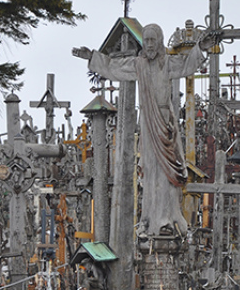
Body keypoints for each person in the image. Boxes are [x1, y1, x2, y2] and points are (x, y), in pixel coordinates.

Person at [73, 23, 214, 236]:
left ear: (159, 42)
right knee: (150, 169)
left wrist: (201, 48)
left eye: (152, 40)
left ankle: (168, 216)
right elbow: (114, 67)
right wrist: (92, 57)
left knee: (169, 171)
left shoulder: (168, 63)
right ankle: (150, 218)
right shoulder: (138, 65)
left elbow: (187, 65)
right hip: (148, 123)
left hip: (165, 123)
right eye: (146, 40)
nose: (148, 45)